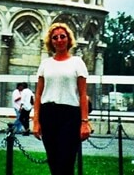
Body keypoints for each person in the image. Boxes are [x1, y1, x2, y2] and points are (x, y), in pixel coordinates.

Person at [32, 22, 91, 175]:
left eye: (62, 36)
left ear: (68, 39)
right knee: (53, 162)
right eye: (55, 37)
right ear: (50, 42)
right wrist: (36, 121)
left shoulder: (77, 62)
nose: (59, 40)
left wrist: (84, 122)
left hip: (70, 116)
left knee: (66, 162)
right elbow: (38, 94)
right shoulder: (45, 64)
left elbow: (83, 94)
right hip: (48, 114)